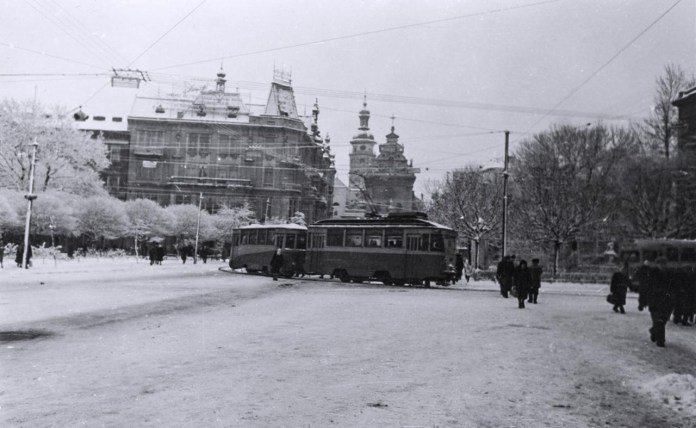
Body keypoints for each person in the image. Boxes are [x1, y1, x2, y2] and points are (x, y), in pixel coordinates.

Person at [646, 258, 674, 348]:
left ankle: (653, 331)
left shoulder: (670, 274)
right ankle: (661, 341)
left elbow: (673, 286)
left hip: (667, 301)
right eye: (661, 263)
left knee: (663, 320)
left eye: (664, 263)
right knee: (659, 320)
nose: (663, 265)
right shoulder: (652, 273)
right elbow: (648, 287)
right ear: (657, 264)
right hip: (655, 300)